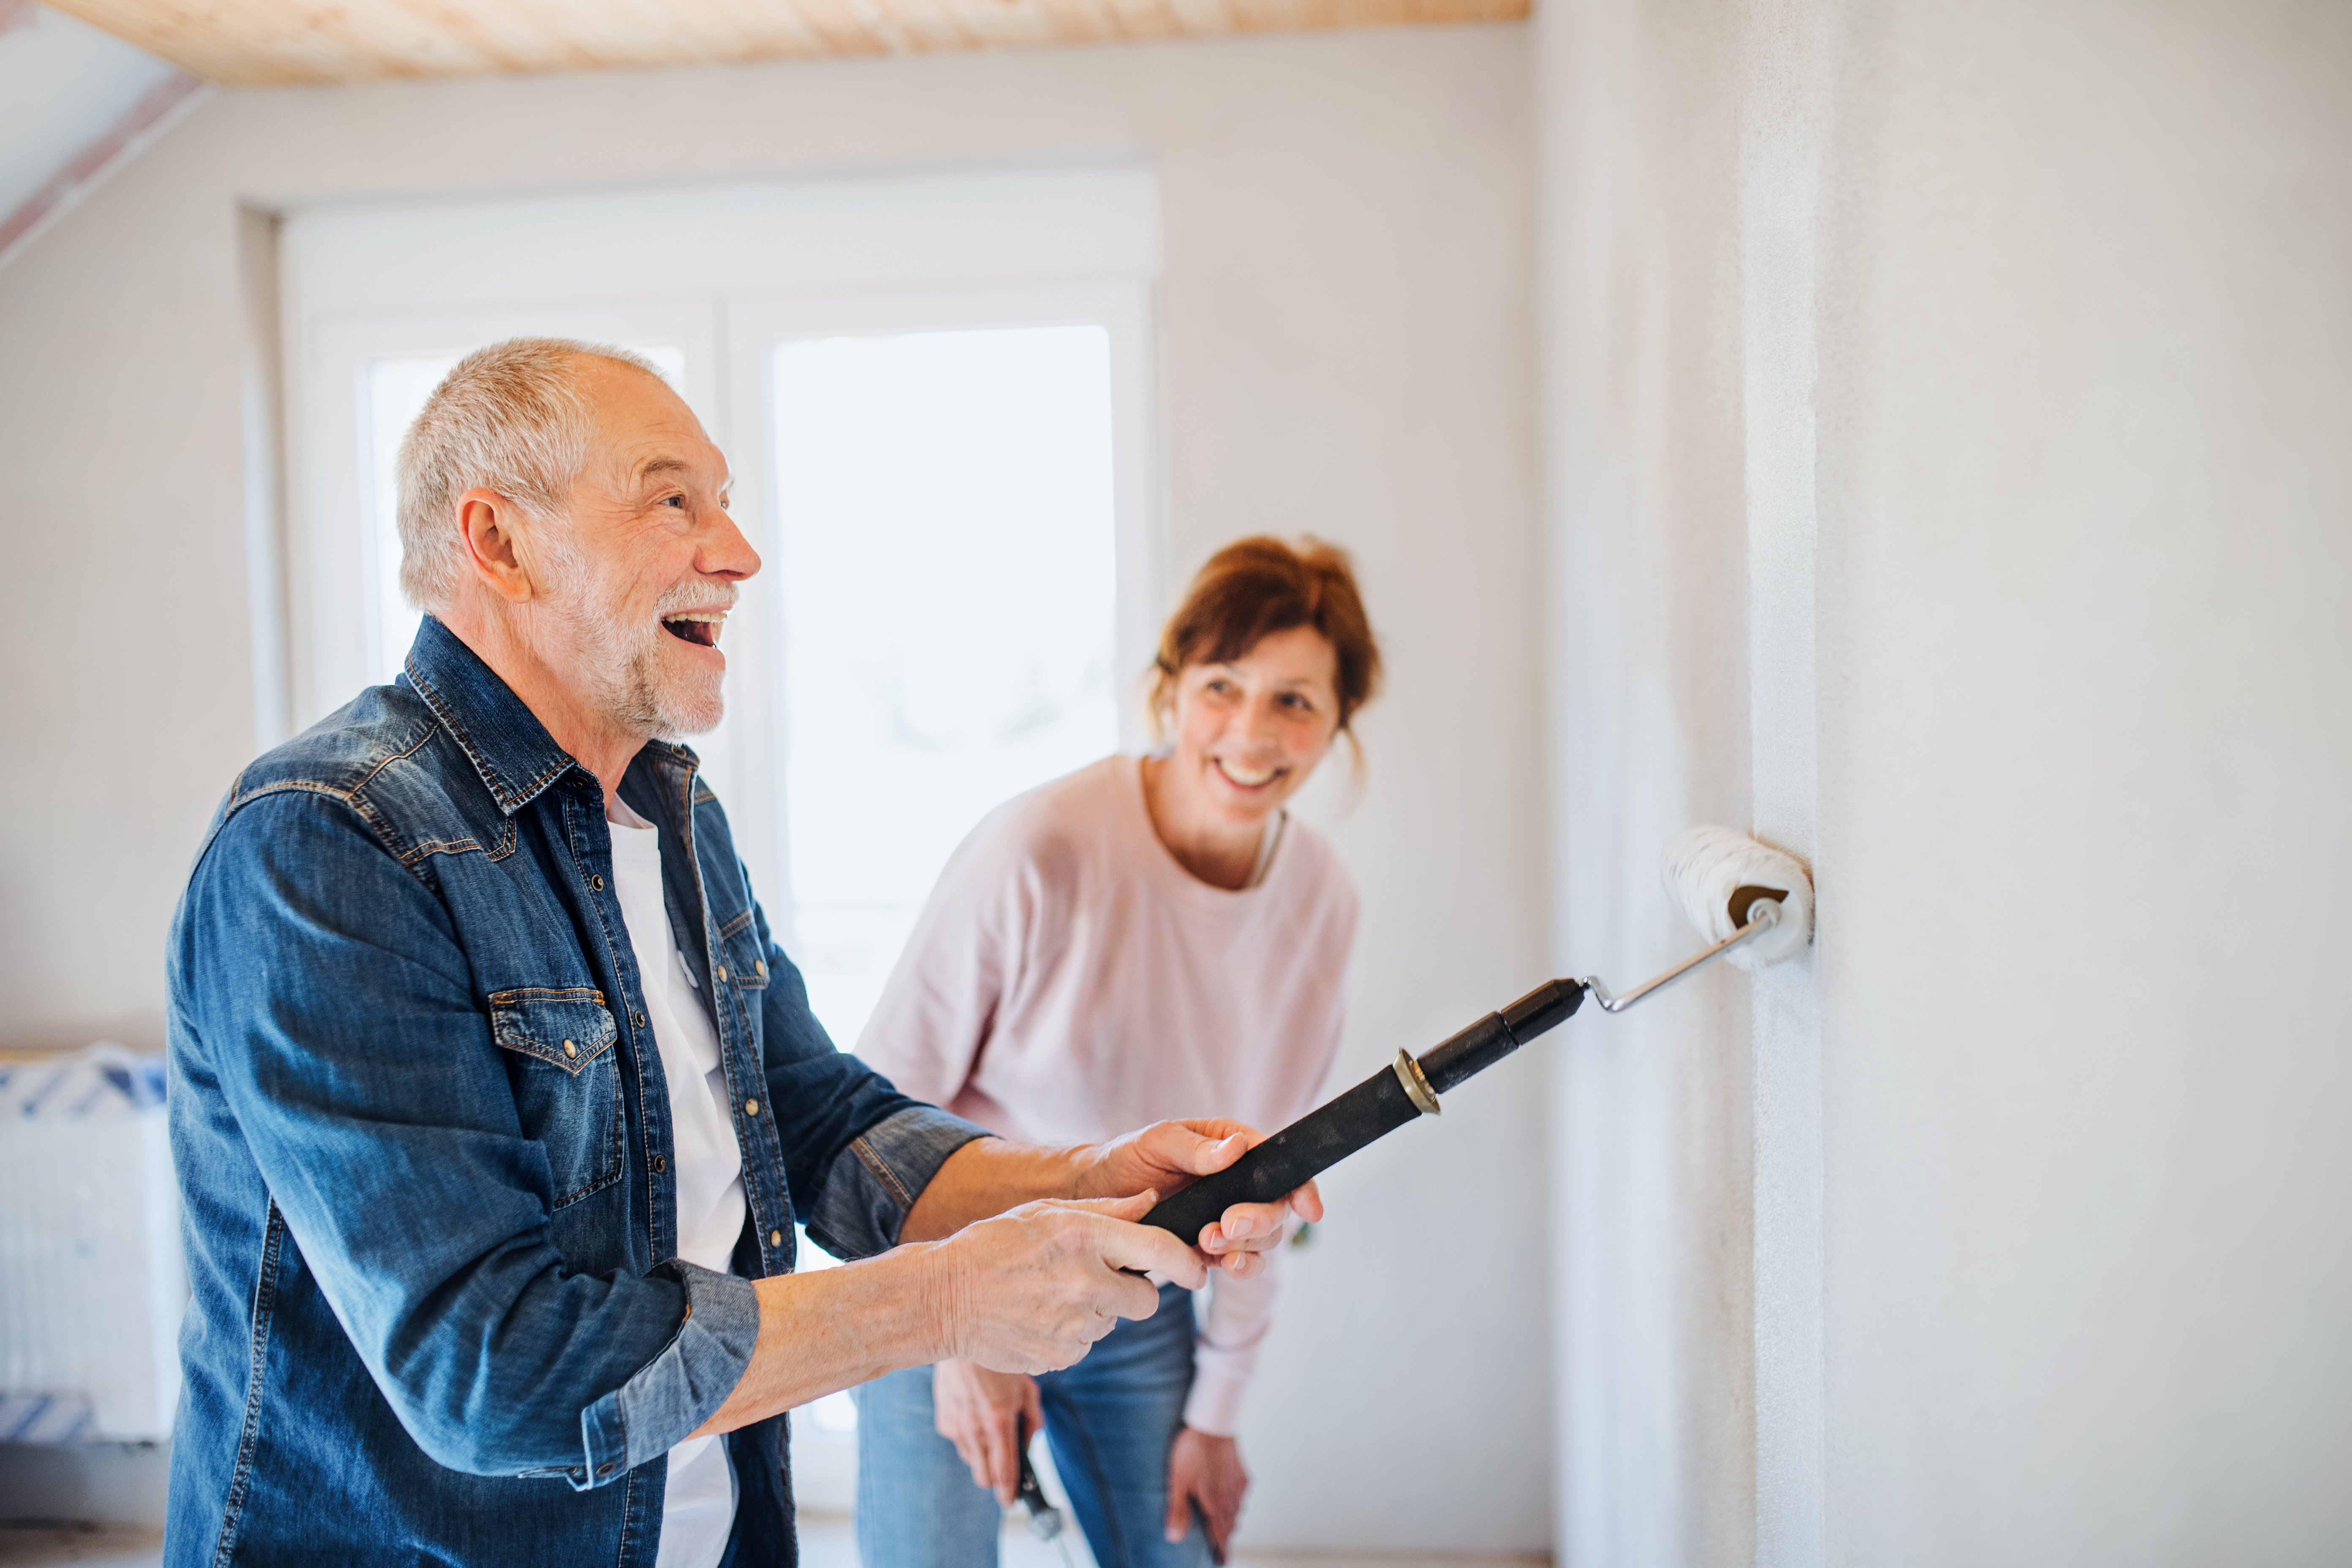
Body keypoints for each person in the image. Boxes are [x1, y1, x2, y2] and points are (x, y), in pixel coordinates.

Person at [162, 339, 1310, 1568]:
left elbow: (820, 1123)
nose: (740, 552)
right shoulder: (328, 842)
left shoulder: (673, 814)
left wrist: (1081, 1179)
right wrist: (946, 1299)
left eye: (724, 500)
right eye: (673, 500)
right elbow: (490, 1370)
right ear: (500, 542)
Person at [853, 537, 1381, 1567]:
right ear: (1171, 687)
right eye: (1222, 685)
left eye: (1294, 701)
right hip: (945, 1265)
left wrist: (1218, 1413)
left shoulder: (1323, 901)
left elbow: (1272, 1175)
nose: (1251, 731)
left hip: (1139, 1294)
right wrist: (960, 1323)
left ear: (1338, 721)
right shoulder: (1039, 846)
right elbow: (874, 1116)